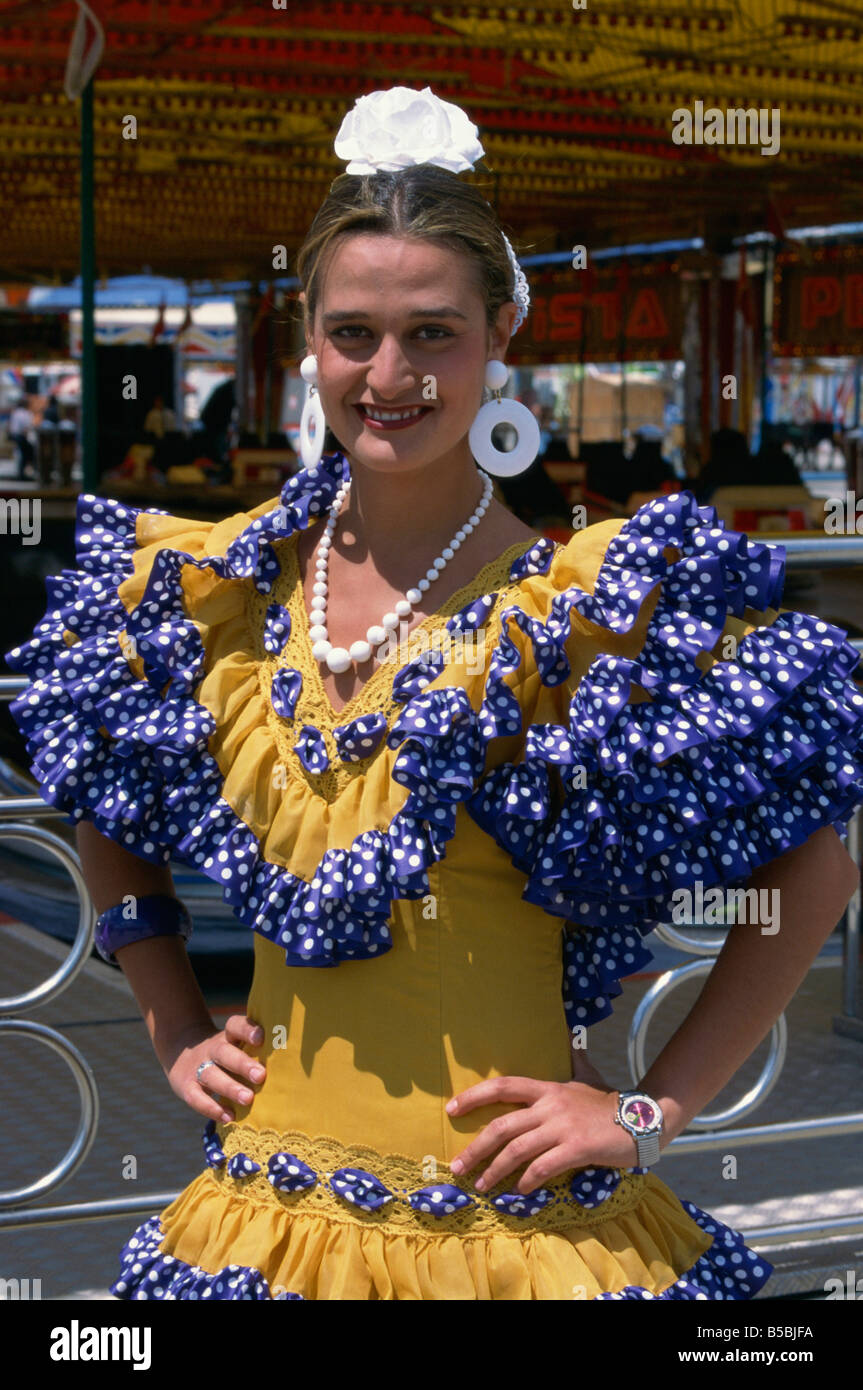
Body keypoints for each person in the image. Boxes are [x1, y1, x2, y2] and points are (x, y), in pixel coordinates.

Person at [6, 86, 863, 1302]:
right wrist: (172, 1020)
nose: (387, 373)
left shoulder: (585, 604)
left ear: (501, 331)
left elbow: (816, 863)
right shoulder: (220, 585)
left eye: (432, 333)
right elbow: (108, 783)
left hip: (514, 1240)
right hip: (258, 1222)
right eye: (352, 333)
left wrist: (647, 1108)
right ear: (307, 336)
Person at [8, 395, 35, 479]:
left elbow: (11, 426)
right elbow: (26, 428)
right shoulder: (26, 413)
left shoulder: (16, 412)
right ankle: (23, 472)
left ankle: (21, 472)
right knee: (27, 453)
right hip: (20, 436)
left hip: (14, 435)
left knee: (21, 453)